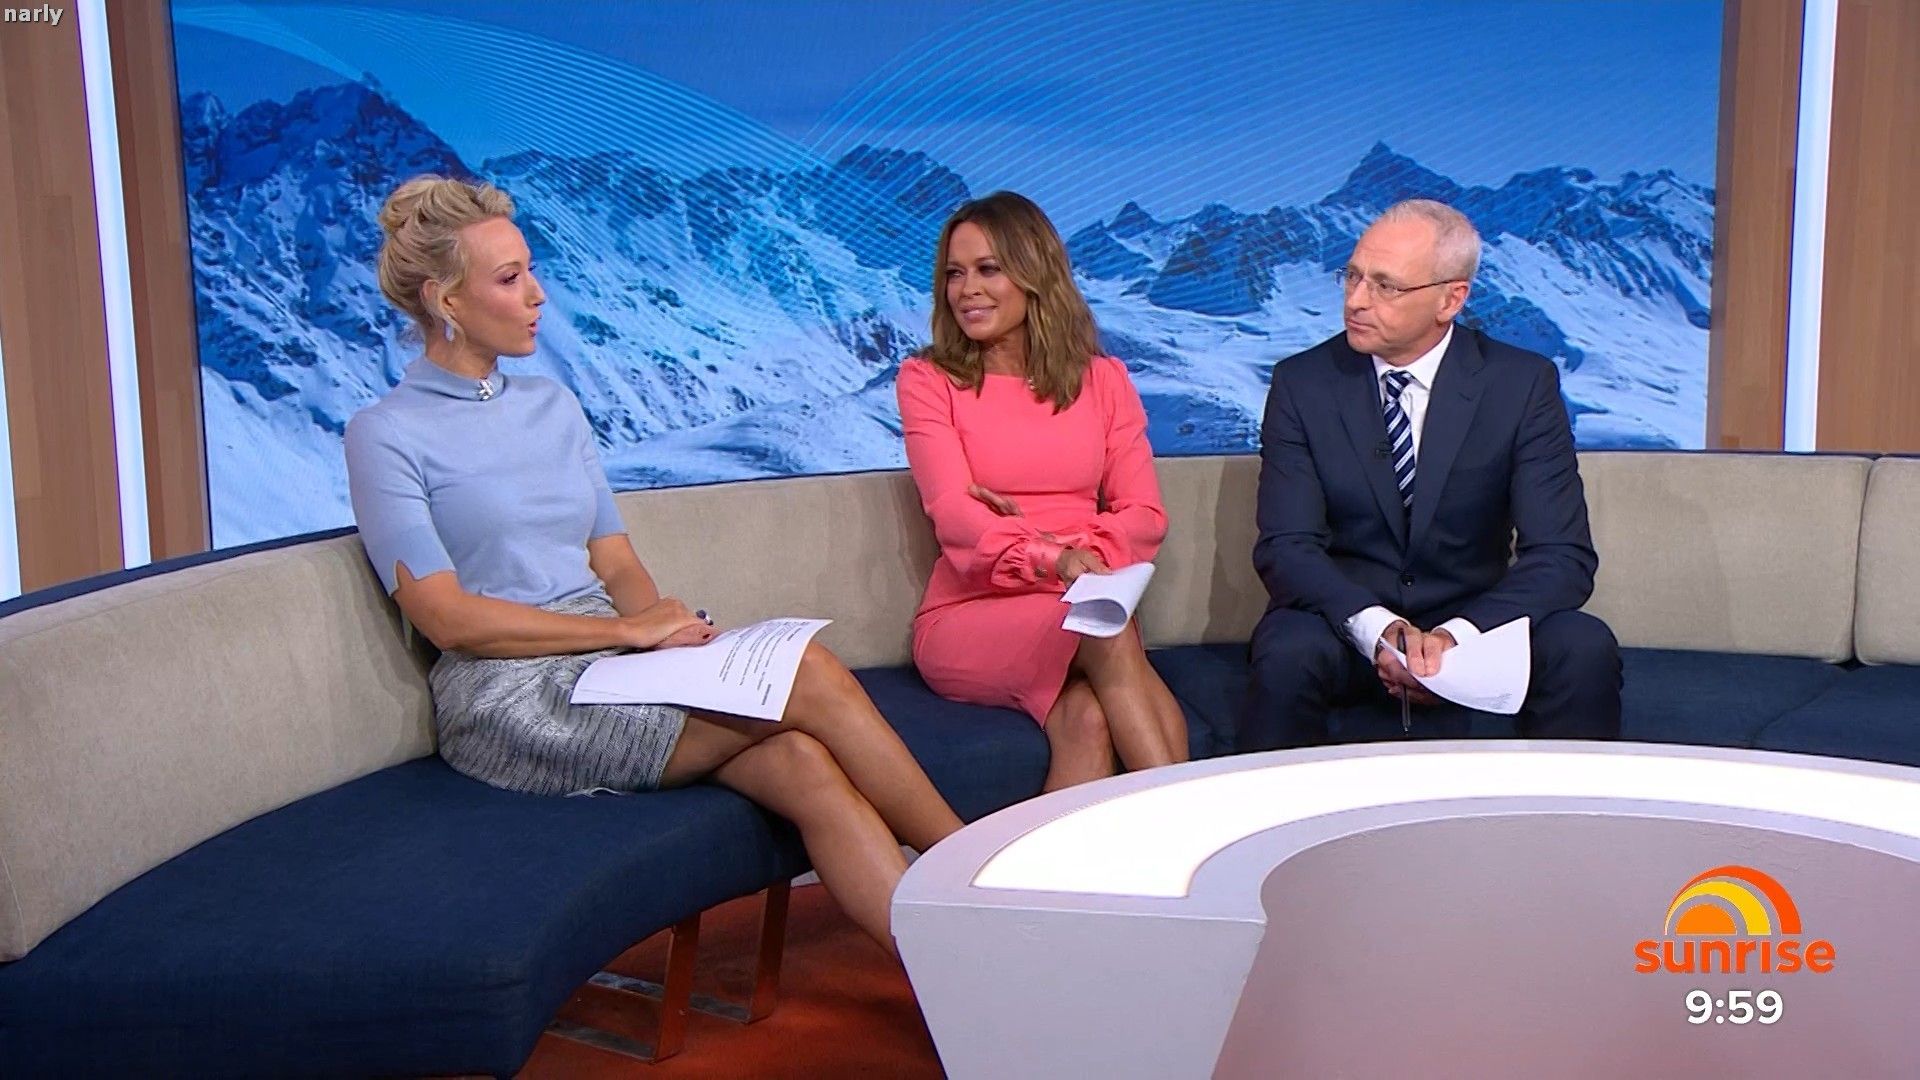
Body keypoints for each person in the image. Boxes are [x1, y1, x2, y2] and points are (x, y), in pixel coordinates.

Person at [344, 175, 963, 955]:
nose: (537, 294)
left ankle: (957, 976)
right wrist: (629, 633)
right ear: (445, 300)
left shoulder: (553, 406)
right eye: (509, 278)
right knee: (807, 671)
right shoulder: (384, 434)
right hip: (508, 694)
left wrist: (667, 636)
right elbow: (446, 619)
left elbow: (613, 557)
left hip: (611, 660)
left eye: (532, 270)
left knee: (803, 762)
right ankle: (983, 884)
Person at [1245, 198, 1622, 750]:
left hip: (1476, 622)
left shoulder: (1520, 385)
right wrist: (1379, 629)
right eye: (1352, 276)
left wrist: (1456, 638)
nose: (1356, 300)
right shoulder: (1303, 383)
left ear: (1451, 299)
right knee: (1287, 649)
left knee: (1582, 645)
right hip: (1349, 623)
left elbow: (1562, 556)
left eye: (1385, 286)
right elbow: (1286, 546)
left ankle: (1569, 808)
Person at [897, 191, 1187, 792]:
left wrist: (1068, 551)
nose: (966, 290)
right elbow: (955, 516)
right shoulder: (929, 381)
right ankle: (1196, 826)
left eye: (988, 269)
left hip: (1081, 598)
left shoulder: (1103, 381)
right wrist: (1053, 556)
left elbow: (1145, 515)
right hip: (970, 613)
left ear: (1034, 276)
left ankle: (1045, 865)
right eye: (954, 274)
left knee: (1088, 718)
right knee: (1105, 629)